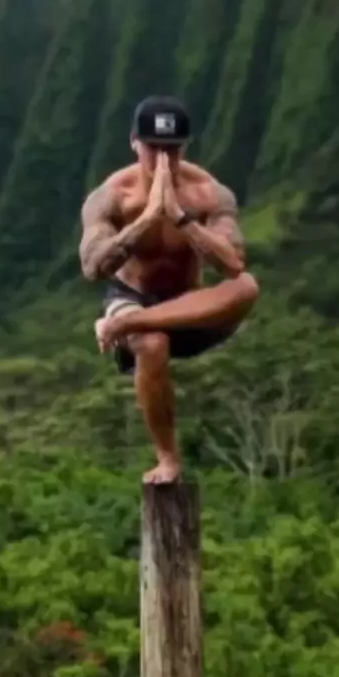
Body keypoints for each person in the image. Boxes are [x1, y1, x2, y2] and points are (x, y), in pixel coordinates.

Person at [79, 95, 259, 484]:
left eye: (173, 149)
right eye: (153, 147)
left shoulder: (208, 193)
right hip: (132, 298)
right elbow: (93, 267)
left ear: (186, 147)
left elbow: (232, 264)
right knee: (152, 343)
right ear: (134, 143)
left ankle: (123, 325)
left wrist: (180, 217)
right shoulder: (113, 195)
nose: (163, 159)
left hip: (187, 303)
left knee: (246, 286)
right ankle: (167, 458)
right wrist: (147, 219)